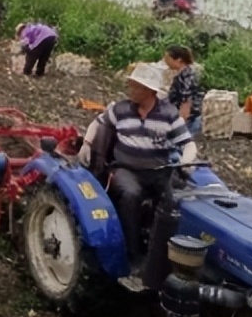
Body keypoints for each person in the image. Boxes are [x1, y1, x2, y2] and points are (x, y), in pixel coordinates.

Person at [77, 63, 196, 285]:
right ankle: (133, 255)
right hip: (126, 169)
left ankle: (166, 254)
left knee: (175, 202)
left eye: (136, 87)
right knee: (131, 194)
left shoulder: (168, 114)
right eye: (131, 86)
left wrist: (186, 161)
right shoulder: (120, 109)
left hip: (159, 170)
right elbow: (98, 122)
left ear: (150, 91)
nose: (131, 91)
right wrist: (86, 143)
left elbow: (188, 144)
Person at [164, 45, 203, 135]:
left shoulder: (187, 76)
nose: (165, 61)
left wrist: (181, 122)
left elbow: (186, 101)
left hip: (188, 119)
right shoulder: (183, 74)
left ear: (178, 60)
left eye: (168, 59)